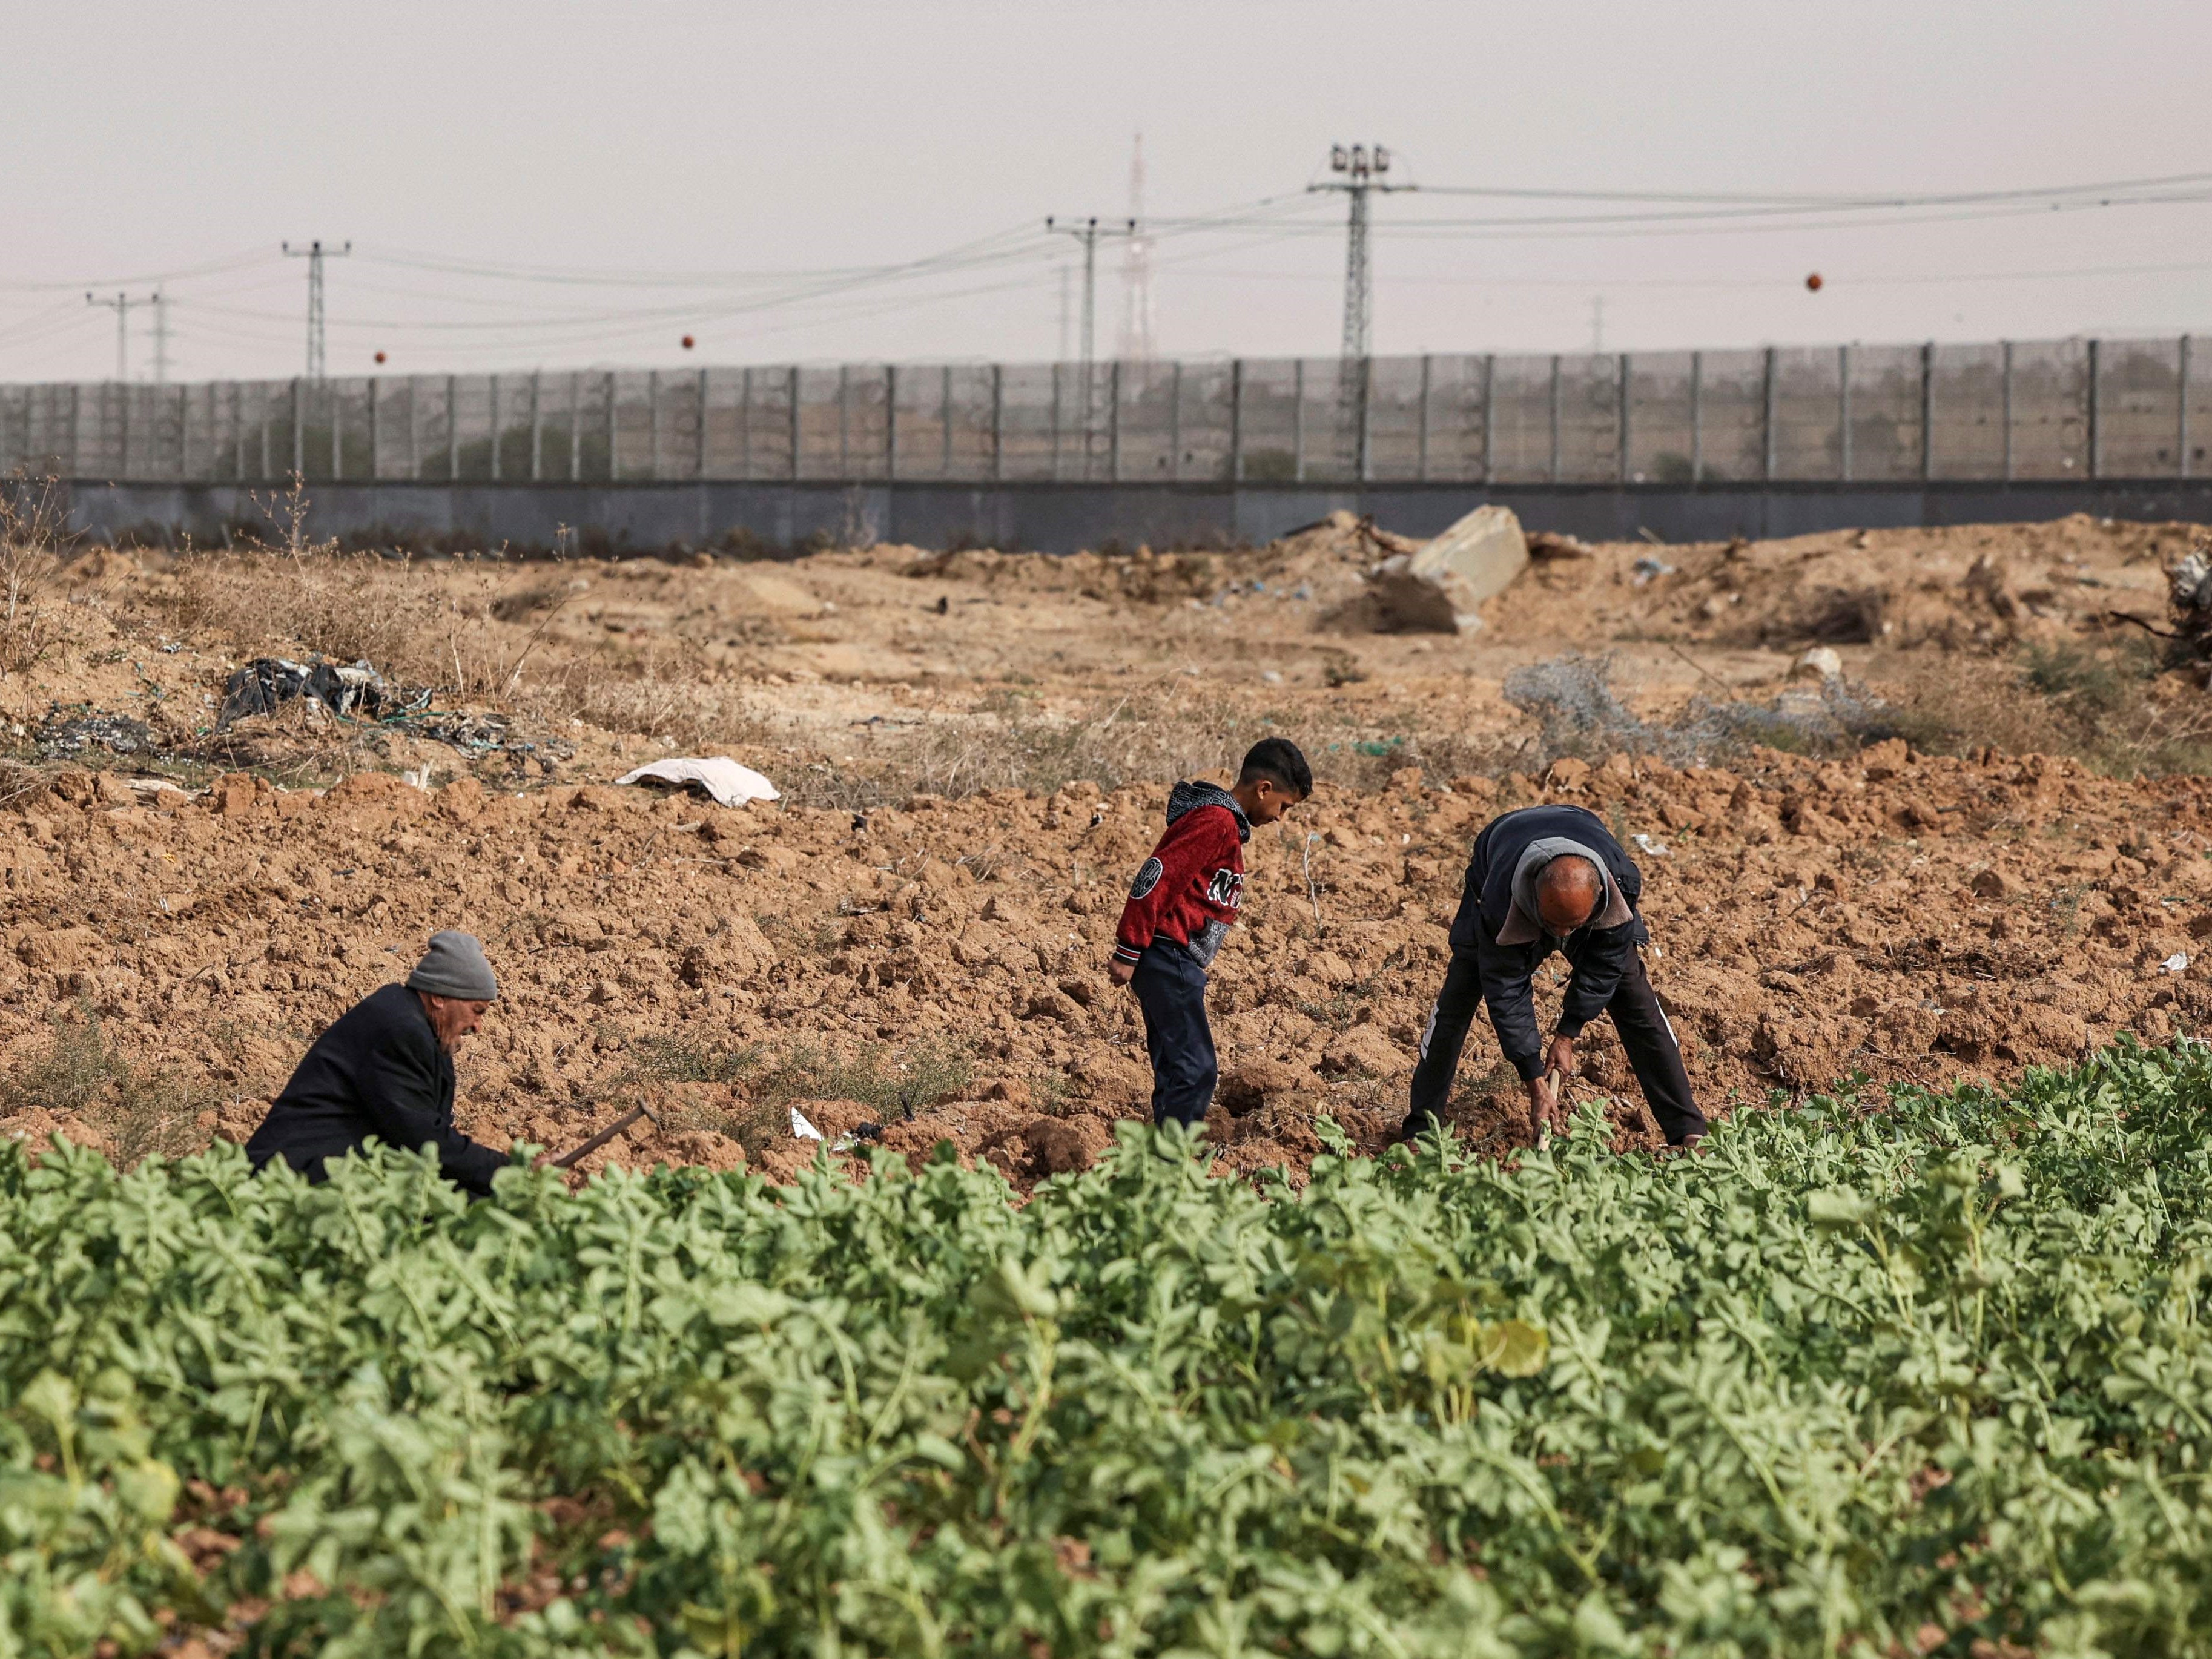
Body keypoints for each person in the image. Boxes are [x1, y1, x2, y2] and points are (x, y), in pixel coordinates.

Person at [1398, 803, 1705, 1149]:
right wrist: (1535, 1082)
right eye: (1552, 925)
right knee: (1459, 994)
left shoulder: (1621, 887)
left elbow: (1604, 966)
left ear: (1598, 900)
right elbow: (1506, 991)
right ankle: (1420, 1131)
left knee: (1635, 998)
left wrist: (1567, 1034)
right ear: (1534, 896)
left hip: (1580, 834)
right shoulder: (1499, 902)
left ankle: (1687, 1128)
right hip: (1502, 854)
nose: (1560, 934)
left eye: (1571, 926)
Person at [1109, 737, 1311, 1129]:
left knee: (1175, 1067)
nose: (1280, 817)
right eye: (1283, 806)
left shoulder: (1225, 826)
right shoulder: (1215, 822)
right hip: (1168, 955)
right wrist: (1129, 947)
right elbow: (1157, 876)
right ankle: (1172, 1169)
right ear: (1263, 789)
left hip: (1174, 958)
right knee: (1196, 1071)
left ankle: (1159, 1162)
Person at [245, 929, 513, 1195]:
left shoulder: (417, 1024)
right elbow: (424, 1141)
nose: (477, 1027)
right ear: (439, 997)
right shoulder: (401, 1031)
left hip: (327, 1167)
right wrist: (512, 1173)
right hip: (287, 1178)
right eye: (477, 1011)